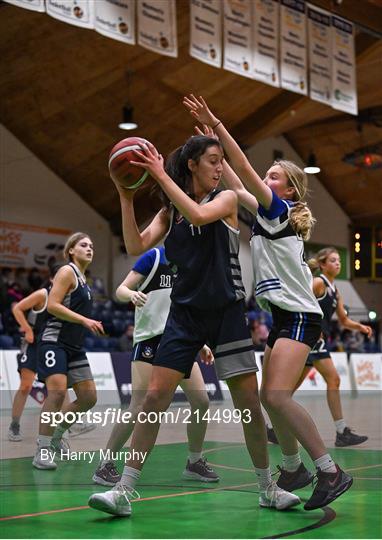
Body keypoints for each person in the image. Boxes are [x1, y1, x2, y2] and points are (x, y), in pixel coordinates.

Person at [89, 134, 300, 516]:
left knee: (248, 404)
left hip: (227, 313)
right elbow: (136, 246)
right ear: (192, 165)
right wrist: (125, 195)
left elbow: (200, 215)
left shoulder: (227, 200)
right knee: (153, 399)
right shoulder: (169, 212)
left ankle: (267, 487)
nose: (220, 168)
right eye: (213, 161)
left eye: (221, 160)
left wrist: (157, 174)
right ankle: (123, 490)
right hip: (184, 316)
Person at [183, 94, 353, 511]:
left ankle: (330, 472)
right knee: (267, 397)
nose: (266, 177)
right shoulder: (264, 213)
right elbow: (234, 183)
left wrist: (218, 126)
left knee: (276, 397)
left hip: (299, 317)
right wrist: (213, 154)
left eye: (273, 175)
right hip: (281, 318)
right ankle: (293, 468)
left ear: (289, 189)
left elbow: (241, 171)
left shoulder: (279, 209)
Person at [93, 246, 219, 486]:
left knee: (201, 401)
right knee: (139, 406)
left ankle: (194, 461)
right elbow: (121, 289)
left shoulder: (192, 262)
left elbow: (189, 308)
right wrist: (130, 294)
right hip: (151, 339)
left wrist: (200, 342)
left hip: (180, 340)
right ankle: (104, 465)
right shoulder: (155, 256)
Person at [32, 232, 104, 469]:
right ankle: (41, 450)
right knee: (57, 394)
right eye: (84, 245)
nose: (89, 248)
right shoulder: (66, 271)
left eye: (91, 245)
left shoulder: (86, 280)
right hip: (54, 341)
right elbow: (52, 305)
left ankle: (57, 435)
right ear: (71, 250)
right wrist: (85, 321)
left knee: (88, 397)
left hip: (74, 346)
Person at [300, 248, 371, 446]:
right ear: (322, 264)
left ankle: (273, 428)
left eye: (339, 260)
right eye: (333, 260)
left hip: (312, 340)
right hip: (312, 337)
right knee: (334, 379)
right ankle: (341, 432)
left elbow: (343, 319)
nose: (338, 263)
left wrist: (359, 326)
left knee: (287, 389)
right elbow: (300, 302)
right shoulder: (318, 282)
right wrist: (312, 325)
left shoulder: (334, 289)